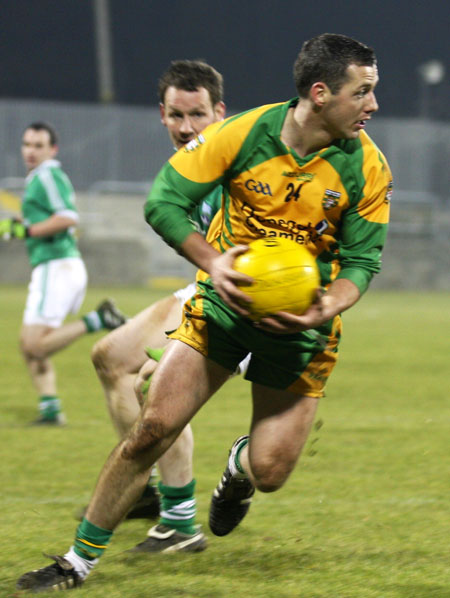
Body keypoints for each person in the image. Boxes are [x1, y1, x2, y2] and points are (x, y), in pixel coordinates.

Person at [16, 33, 392, 593]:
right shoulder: (240, 134)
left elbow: (362, 261)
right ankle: (76, 562)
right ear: (320, 93)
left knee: (270, 473)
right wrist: (214, 265)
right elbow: (163, 202)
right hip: (220, 310)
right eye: (362, 92)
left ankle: (238, 468)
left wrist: (327, 304)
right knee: (152, 429)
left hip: (301, 334)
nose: (373, 105)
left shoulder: (368, 167)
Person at [88, 60, 230, 552]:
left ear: (221, 112)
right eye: (176, 115)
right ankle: (163, 505)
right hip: (204, 289)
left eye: (198, 114)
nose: (187, 127)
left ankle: (179, 516)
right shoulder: (187, 166)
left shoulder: (244, 159)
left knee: (158, 390)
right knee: (110, 358)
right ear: (162, 115)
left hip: (250, 304)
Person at [0, 123, 126, 425]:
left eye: (38, 145)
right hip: (56, 268)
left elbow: (68, 217)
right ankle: (50, 409)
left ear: (52, 150)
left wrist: (25, 229)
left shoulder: (47, 175)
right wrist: (15, 224)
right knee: (29, 345)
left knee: (34, 345)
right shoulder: (38, 179)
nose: (31, 151)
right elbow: (39, 216)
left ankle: (99, 319)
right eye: (27, 144)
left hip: (57, 266)